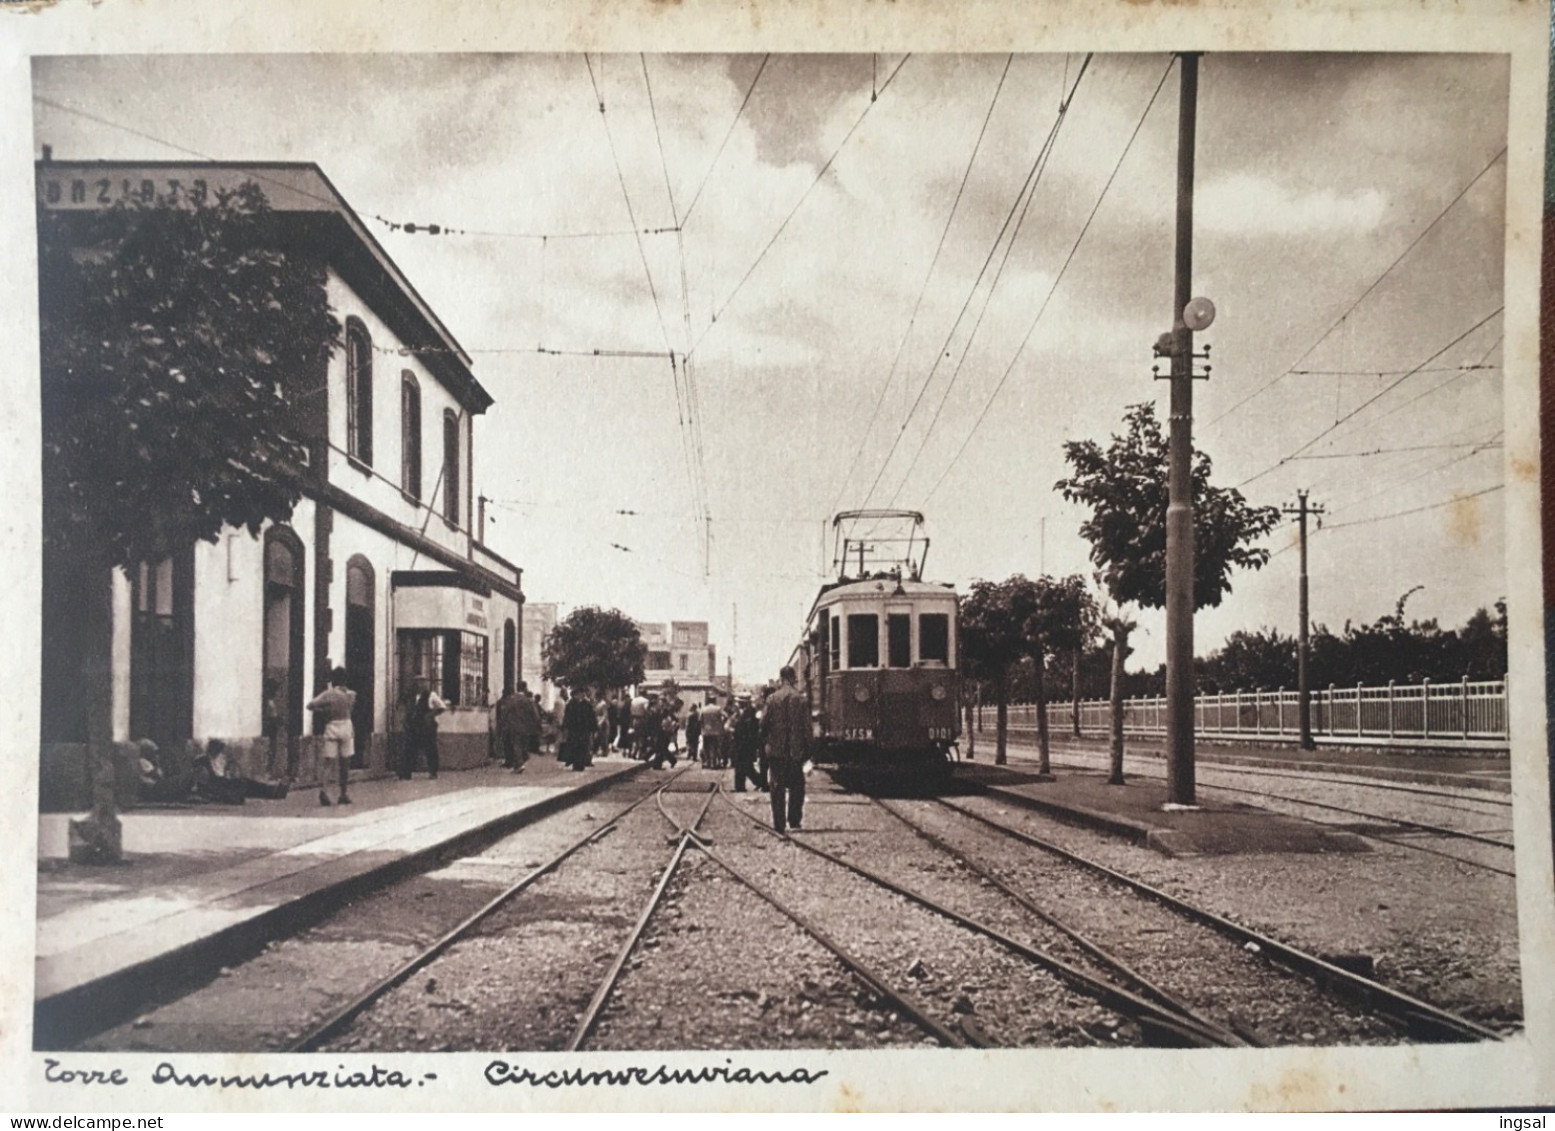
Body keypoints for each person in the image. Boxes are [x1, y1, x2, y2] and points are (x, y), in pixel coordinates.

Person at [761, 665, 809, 833]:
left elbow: (763, 724)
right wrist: (808, 750)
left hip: (776, 750)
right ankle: (794, 820)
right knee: (797, 785)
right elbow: (807, 728)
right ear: (793, 677)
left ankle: (779, 823)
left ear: (781, 679)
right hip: (795, 750)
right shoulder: (801, 699)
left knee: (777, 785)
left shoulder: (772, 699)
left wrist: (766, 741)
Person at [307, 667, 357, 806]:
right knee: (345, 763)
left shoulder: (328, 694)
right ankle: (343, 793)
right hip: (346, 726)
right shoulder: (351, 694)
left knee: (328, 762)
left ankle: (324, 790)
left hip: (331, 726)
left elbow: (310, 705)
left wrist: (323, 711)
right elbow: (350, 709)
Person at [402, 676, 447, 780]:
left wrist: (430, 715)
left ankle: (433, 772)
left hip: (427, 728)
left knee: (430, 749)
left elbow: (442, 707)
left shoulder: (431, 695)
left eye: (422, 682)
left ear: (425, 684)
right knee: (409, 749)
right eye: (417, 682)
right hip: (414, 726)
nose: (419, 685)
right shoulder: (412, 696)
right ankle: (406, 773)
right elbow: (409, 709)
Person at [729, 695, 763, 793]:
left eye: (740, 702)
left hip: (745, 744)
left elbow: (745, 729)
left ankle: (760, 783)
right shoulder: (744, 712)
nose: (738, 703)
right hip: (743, 744)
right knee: (742, 766)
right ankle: (740, 786)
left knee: (745, 767)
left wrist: (734, 730)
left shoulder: (750, 713)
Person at [562, 687, 596, 771]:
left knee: (583, 746)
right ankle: (575, 764)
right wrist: (565, 727)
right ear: (576, 694)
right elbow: (567, 717)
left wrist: (593, 729)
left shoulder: (587, 704)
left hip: (584, 730)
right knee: (575, 746)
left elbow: (591, 717)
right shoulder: (571, 704)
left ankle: (581, 764)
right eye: (581, 693)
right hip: (574, 730)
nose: (582, 694)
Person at [511, 680, 542, 771]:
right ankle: (520, 763)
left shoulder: (512, 699)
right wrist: (536, 724)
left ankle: (519, 763)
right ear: (525, 688)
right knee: (523, 744)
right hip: (526, 727)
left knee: (516, 745)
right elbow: (535, 714)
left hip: (514, 726)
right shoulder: (528, 701)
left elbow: (507, 713)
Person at [494, 685, 521, 771]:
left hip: (506, 726)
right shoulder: (514, 702)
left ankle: (509, 761)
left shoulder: (501, 702)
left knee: (507, 744)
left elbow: (499, 716)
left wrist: (499, 726)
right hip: (513, 726)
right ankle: (512, 761)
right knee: (511, 744)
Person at [700, 697, 728, 770]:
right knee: (714, 747)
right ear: (714, 701)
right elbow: (726, 716)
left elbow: (700, 720)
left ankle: (707, 763)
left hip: (705, 732)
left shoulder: (703, 709)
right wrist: (721, 723)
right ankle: (713, 763)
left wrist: (703, 726)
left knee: (706, 747)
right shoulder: (718, 709)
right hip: (715, 732)